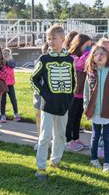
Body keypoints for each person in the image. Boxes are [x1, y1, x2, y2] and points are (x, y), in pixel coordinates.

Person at [30, 25, 76, 181]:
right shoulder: (44, 59)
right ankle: (41, 167)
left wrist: (70, 98)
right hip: (48, 105)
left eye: (53, 38)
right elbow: (33, 79)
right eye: (48, 38)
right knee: (45, 136)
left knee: (60, 135)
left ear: (62, 40)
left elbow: (73, 81)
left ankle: (55, 161)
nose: (50, 41)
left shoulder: (70, 60)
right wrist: (45, 94)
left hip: (64, 105)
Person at [83, 45, 109, 172]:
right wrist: (86, 105)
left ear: (107, 57)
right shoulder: (91, 73)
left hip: (108, 110)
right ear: (93, 57)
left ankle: (107, 162)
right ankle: (94, 158)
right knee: (95, 137)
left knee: (107, 137)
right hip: (95, 110)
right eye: (96, 54)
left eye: (102, 54)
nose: (99, 56)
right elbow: (86, 91)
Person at [66, 33, 92, 152]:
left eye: (90, 46)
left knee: (77, 118)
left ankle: (76, 138)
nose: (89, 48)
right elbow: (79, 64)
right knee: (70, 118)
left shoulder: (85, 57)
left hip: (82, 93)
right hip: (73, 94)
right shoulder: (71, 57)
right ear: (79, 44)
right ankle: (68, 140)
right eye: (87, 45)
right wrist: (88, 53)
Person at [32, 42, 49, 151]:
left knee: (48, 121)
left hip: (50, 97)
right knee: (39, 119)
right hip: (39, 95)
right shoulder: (41, 60)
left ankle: (47, 140)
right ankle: (40, 140)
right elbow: (34, 78)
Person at [0, 48, 19, 123]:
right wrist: (3, 60)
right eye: (4, 53)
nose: (6, 55)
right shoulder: (1, 62)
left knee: (13, 99)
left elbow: (12, 66)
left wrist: (8, 59)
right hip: (3, 84)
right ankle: (3, 115)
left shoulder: (11, 61)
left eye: (8, 53)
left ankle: (16, 113)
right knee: (3, 101)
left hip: (10, 84)